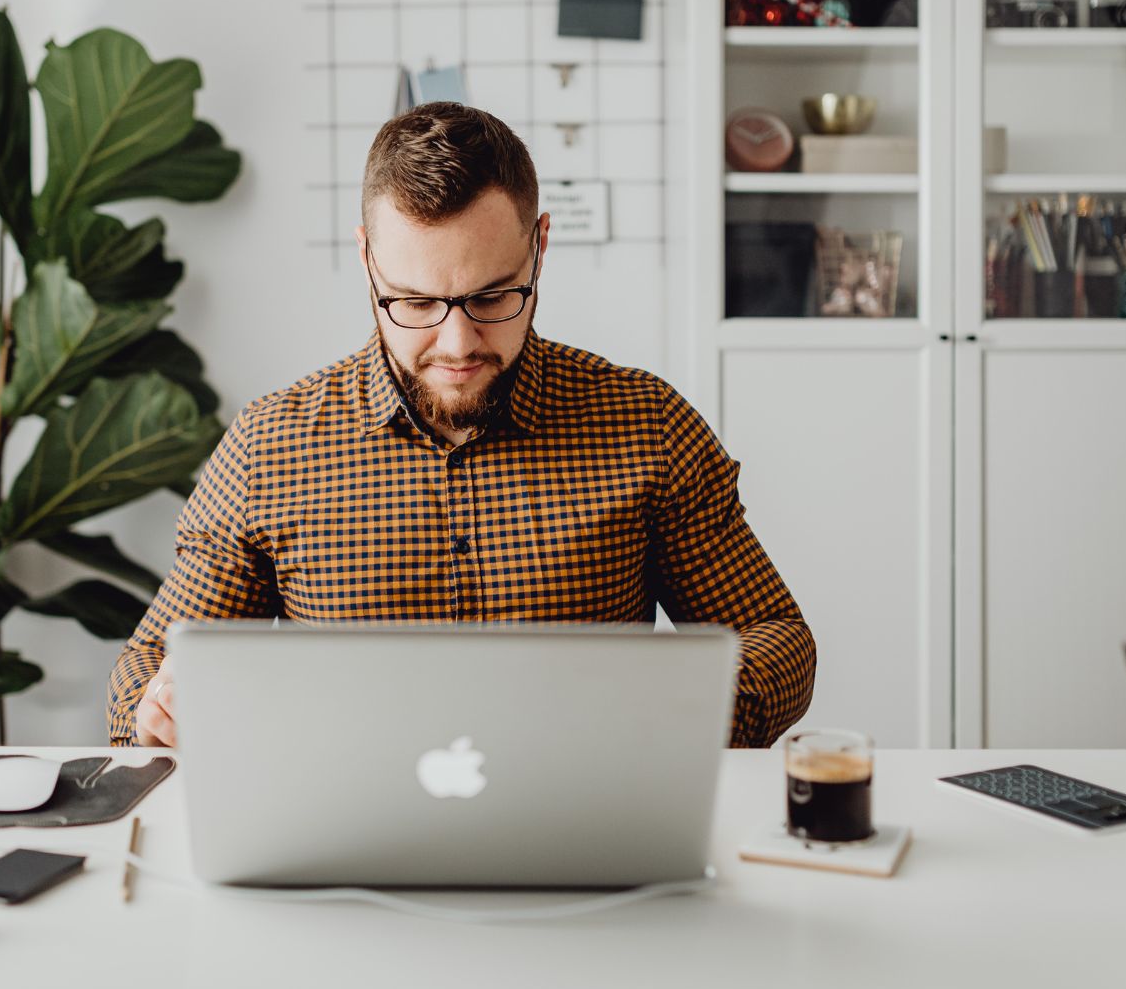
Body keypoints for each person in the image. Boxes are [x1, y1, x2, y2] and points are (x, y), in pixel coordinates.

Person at [105, 101, 813, 748]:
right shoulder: (270, 447)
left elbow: (777, 638)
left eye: (493, 296)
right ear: (365, 259)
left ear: (539, 247)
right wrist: (156, 706)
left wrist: (687, 710)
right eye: (413, 303)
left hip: (585, 831)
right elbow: (150, 661)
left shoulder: (645, 425)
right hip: (342, 844)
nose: (457, 344)